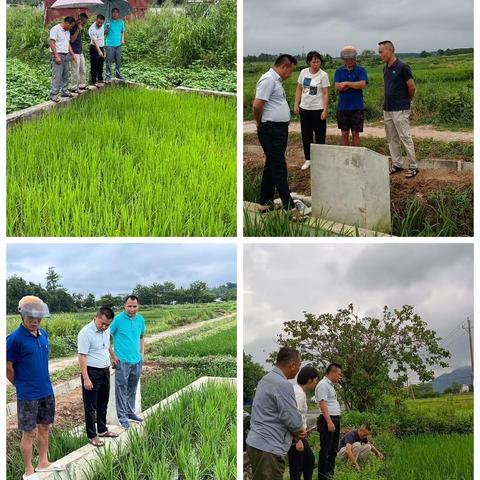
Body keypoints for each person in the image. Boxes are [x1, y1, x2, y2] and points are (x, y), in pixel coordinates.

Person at [6, 296, 65, 479]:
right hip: (28, 395)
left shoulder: (43, 334)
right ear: (22, 315)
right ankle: (28, 468)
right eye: (31, 318)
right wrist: (21, 385)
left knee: (45, 428)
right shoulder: (14, 339)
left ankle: (43, 461)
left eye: (38, 318)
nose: (35, 321)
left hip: (46, 391)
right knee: (29, 432)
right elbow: (8, 368)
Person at [253, 55, 305, 218]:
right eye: (291, 70)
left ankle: (265, 202)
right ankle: (290, 208)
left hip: (278, 129)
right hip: (270, 129)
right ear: (284, 67)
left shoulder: (276, 81)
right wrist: (260, 124)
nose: (291, 74)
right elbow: (257, 105)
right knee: (279, 167)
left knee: (271, 165)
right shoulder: (268, 79)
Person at [246, 347, 306, 480]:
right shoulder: (282, 385)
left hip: (256, 444)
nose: (299, 369)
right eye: (299, 365)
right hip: (269, 448)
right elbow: (293, 420)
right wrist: (299, 431)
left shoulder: (265, 380)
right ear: (292, 365)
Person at [77, 306, 118, 447]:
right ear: (97, 317)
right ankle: (92, 435)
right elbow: (82, 356)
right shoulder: (85, 333)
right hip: (92, 372)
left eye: (108, 325)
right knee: (90, 406)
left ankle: (102, 429)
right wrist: (86, 378)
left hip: (104, 371)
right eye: (103, 323)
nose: (104, 327)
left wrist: (113, 357)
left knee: (103, 403)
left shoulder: (105, 331)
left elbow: (107, 346)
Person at [378, 40, 418, 178]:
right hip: (388, 108)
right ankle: (397, 163)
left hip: (400, 108)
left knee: (404, 136)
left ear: (390, 50)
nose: (380, 54)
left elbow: (412, 87)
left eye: (381, 52)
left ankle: (413, 166)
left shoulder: (402, 66)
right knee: (392, 137)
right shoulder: (385, 68)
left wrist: (408, 101)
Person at [109, 295, 145, 429]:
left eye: (134, 306)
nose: (132, 309)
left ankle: (130, 412)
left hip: (136, 361)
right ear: (124, 306)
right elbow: (106, 337)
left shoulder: (140, 320)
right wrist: (113, 356)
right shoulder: (117, 320)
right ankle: (122, 417)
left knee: (132, 388)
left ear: (138, 306)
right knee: (121, 389)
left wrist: (141, 354)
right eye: (129, 306)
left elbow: (141, 337)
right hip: (122, 361)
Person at [293, 51, 330, 171]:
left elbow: (325, 93)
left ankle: (320, 160)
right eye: (313, 61)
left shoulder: (323, 75)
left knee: (320, 135)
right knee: (306, 135)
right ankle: (308, 159)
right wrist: (296, 104)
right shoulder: (303, 72)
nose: (316, 64)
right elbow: (299, 89)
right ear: (309, 61)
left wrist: (325, 110)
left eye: (318, 61)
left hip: (318, 109)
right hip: (305, 109)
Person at [287, 366, 319, 480]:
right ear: (309, 380)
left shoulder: (297, 390)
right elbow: (293, 416)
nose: (315, 383)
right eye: (315, 380)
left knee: (309, 460)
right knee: (297, 467)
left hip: (298, 435)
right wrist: (297, 440)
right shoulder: (299, 394)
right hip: (296, 436)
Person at [334, 45, 368, 147]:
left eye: (351, 58)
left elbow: (362, 84)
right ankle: (346, 157)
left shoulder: (361, 70)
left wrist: (347, 83)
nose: (349, 60)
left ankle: (355, 157)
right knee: (344, 134)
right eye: (347, 59)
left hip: (357, 107)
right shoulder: (338, 71)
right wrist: (354, 85)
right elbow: (337, 87)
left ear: (355, 58)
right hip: (343, 108)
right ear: (344, 59)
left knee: (355, 134)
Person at [315, 363, 342, 480]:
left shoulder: (330, 385)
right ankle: (323, 476)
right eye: (339, 374)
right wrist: (329, 422)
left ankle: (330, 474)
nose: (339, 377)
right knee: (326, 450)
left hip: (334, 419)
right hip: (328, 420)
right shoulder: (323, 385)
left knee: (333, 449)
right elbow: (322, 403)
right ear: (333, 372)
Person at [49, 16, 77, 102]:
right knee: (57, 75)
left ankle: (64, 91)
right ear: (67, 23)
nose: (71, 27)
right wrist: (56, 56)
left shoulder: (67, 31)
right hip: (58, 54)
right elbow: (52, 43)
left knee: (65, 74)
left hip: (66, 55)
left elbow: (68, 44)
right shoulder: (55, 29)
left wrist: (72, 55)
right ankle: (53, 94)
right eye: (71, 26)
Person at [104, 8, 126, 82]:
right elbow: (104, 33)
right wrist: (107, 28)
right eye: (113, 12)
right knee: (108, 61)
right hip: (109, 44)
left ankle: (118, 74)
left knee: (118, 61)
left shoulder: (121, 22)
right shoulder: (107, 22)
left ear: (118, 13)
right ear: (111, 13)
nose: (115, 14)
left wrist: (122, 39)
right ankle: (108, 76)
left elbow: (122, 31)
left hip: (118, 44)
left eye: (116, 12)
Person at [69, 13, 89, 93]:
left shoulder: (79, 27)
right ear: (79, 19)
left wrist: (80, 28)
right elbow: (72, 40)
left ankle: (82, 85)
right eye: (83, 21)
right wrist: (78, 29)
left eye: (85, 22)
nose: (84, 23)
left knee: (83, 69)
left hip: (80, 52)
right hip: (74, 52)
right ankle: (74, 87)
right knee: (75, 70)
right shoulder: (73, 27)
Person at [88, 14, 106, 86]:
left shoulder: (102, 26)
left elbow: (101, 35)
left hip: (101, 47)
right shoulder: (92, 29)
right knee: (94, 64)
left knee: (100, 64)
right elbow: (95, 41)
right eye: (98, 22)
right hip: (94, 47)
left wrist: (106, 29)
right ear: (96, 20)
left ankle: (100, 79)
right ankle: (93, 81)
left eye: (101, 23)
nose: (100, 24)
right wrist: (99, 51)